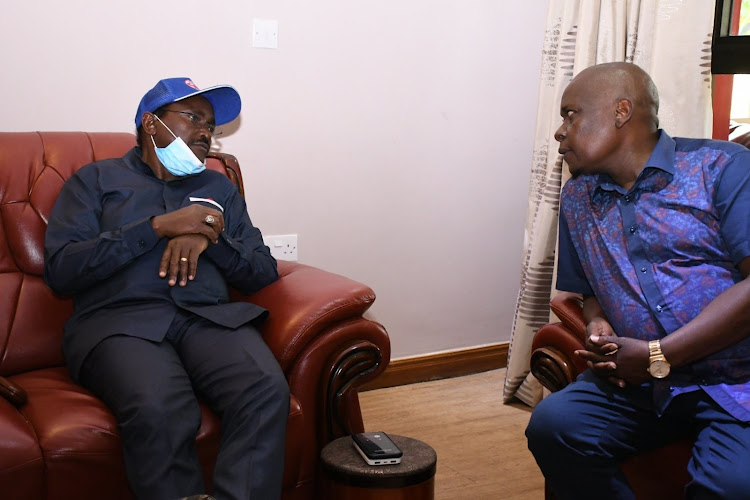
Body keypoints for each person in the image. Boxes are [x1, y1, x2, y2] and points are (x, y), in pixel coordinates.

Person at [44, 78, 289, 500]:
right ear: (151, 123)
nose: (205, 132)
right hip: (120, 323)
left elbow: (261, 271)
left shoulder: (218, 189)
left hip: (206, 318)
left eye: (210, 125)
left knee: (264, 389)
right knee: (161, 408)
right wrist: (157, 227)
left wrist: (209, 234)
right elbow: (63, 269)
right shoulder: (95, 181)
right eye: (193, 118)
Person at [525, 62, 750, 499]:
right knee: (556, 426)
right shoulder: (577, 197)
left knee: (732, 486)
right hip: (641, 385)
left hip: (737, 377)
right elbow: (589, 292)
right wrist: (598, 323)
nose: (559, 130)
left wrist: (657, 354)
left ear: (621, 111)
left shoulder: (722, 167)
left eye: (571, 113)